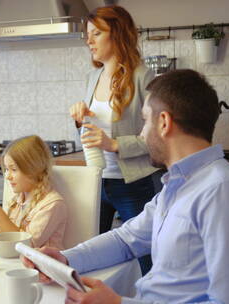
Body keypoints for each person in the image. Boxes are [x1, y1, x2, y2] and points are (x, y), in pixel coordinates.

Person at [25, 69, 229, 303]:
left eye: (145, 121)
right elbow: (126, 239)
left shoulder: (224, 192)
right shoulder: (179, 184)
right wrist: (65, 259)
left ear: (164, 122)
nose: (143, 134)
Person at [69, 5, 162, 274]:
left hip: (132, 183)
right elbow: (90, 135)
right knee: (91, 254)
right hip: (96, 179)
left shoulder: (142, 77)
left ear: (117, 33)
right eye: (88, 34)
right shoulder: (93, 77)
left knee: (146, 258)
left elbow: (157, 137)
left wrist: (114, 145)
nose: (89, 40)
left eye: (96, 33)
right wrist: (79, 120)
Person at [0, 135, 68, 249]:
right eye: (6, 169)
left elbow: (25, 247)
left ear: (33, 169)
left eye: (13, 169)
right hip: (15, 264)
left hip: (40, 266)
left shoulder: (52, 205)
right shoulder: (15, 202)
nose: (7, 176)